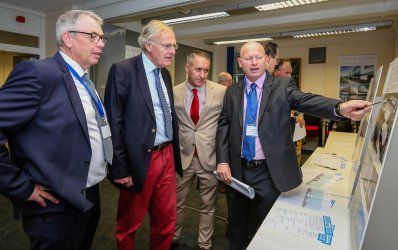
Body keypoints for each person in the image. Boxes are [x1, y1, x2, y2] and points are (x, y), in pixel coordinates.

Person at [216, 41, 371, 249]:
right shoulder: (232, 92)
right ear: (240, 62)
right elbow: (223, 126)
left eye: (258, 57)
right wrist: (223, 161)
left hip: (269, 174)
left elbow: (305, 100)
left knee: (268, 227)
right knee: (237, 227)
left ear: (266, 60)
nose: (254, 62)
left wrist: (339, 108)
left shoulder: (282, 86)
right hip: (238, 172)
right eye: (248, 58)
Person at [0, 10, 110, 249]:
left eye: (102, 38)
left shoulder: (84, 79)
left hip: (88, 192)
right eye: (93, 36)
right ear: (68, 38)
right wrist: (20, 187)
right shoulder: (38, 73)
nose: (100, 43)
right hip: (53, 204)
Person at [104, 20, 182, 250]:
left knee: (166, 220)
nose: (173, 51)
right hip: (139, 159)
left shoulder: (165, 75)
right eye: (167, 45)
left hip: (166, 154)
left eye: (174, 46)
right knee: (129, 223)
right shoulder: (123, 71)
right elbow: (113, 122)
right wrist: (120, 168)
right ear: (148, 45)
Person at [172, 51, 226, 250]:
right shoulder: (174, 91)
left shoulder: (220, 91)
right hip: (183, 157)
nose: (202, 75)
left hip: (209, 158)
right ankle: (173, 237)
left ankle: (204, 243)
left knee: (208, 206)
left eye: (206, 70)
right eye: (197, 69)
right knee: (177, 203)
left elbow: (226, 123)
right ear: (187, 68)